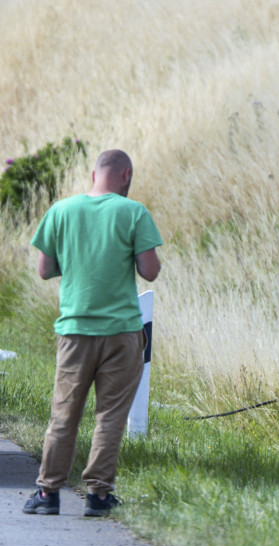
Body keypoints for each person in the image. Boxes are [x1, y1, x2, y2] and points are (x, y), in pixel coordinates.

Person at [22, 149, 162, 517]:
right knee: (110, 416)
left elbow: (44, 269)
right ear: (126, 175)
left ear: (93, 173)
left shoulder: (61, 211)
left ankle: (47, 493)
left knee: (64, 414)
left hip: (75, 330)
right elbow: (150, 271)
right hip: (122, 332)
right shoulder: (134, 212)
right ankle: (98, 496)